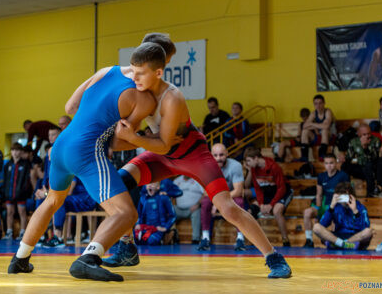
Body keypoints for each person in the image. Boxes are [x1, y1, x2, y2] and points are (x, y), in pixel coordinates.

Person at [105, 33, 291, 279]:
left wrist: (135, 138)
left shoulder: (172, 97)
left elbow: (161, 144)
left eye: (142, 70)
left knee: (227, 208)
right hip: (162, 153)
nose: (135, 75)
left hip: (192, 153)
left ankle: (273, 257)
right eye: (136, 69)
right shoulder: (136, 88)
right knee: (119, 183)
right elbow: (128, 141)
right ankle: (127, 247)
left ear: (159, 69)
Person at [7, 43, 160, 282]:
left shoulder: (107, 70)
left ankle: (20, 259)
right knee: (126, 213)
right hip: (86, 151)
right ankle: (89, 258)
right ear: (159, 70)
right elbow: (121, 140)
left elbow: (69, 108)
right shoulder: (145, 99)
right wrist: (150, 141)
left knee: (52, 200)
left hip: (60, 145)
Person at [198, 143, 246, 251]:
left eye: (221, 155)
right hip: (214, 196)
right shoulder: (206, 167)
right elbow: (206, 191)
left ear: (227, 154)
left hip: (231, 195)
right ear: (211, 155)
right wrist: (217, 202)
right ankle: (205, 237)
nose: (218, 158)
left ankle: (240, 238)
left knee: (240, 202)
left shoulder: (235, 166)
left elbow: (238, 191)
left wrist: (220, 202)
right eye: (215, 155)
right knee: (205, 202)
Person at [244, 147, 293, 247]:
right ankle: (256, 240)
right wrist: (261, 204)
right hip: (268, 193)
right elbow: (257, 189)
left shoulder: (274, 167)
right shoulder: (253, 169)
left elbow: (281, 188)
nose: (247, 164)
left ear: (256, 158)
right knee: (251, 211)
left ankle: (285, 240)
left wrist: (271, 204)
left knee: (276, 211)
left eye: (249, 160)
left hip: (282, 192)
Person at [302, 153, 349, 248]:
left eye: (331, 163)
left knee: (335, 217)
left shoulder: (343, 176)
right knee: (307, 212)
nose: (329, 165)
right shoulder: (321, 176)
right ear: (324, 164)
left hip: (337, 206)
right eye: (327, 163)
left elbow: (347, 194)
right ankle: (309, 240)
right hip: (324, 205)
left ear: (336, 163)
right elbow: (319, 195)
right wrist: (318, 211)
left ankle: (334, 242)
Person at [313, 182, 372, 250]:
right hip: (338, 236)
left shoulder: (360, 207)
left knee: (368, 231)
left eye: (345, 196)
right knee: (316, 227)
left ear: (351, 196)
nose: (343, 201)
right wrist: (331, 207)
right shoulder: (334, 206)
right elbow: (323, 225)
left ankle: (339, 244)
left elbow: (365, 227)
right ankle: (343, 244)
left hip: (355, 236)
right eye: (341, 196)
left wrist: (355, 211)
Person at [43, 177, 96, 248]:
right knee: (57, 200)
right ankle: (54, 235)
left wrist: (46, 194)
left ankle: (58, 237)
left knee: (59, 200)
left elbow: (69, 191)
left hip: (86, 199)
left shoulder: (73, 168)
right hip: (81, 198)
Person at [342, 124, 381, 197]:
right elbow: (349, 158)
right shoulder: (354, 141)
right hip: (361, 168)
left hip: (373, 168)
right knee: (344, 166)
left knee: (369, 165)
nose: (367, 136)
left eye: (369, 133)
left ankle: (370, 194)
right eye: (364, 134)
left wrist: (365, 147)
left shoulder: (376, 140)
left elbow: (375, 158)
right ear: (359, 134)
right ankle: (347, 191)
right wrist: (343, 157)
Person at [2, 143, 31, 240]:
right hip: (9, 193)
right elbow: (5, 180)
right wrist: (5, 192)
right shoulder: (8, 165)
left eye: (17, 150)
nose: (15, 152)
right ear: (11, 151)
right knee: (9, 212)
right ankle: (9, 232)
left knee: (22, 212)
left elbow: (27, 180)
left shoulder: (25, 164)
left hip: (21, 194)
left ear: (21, 152)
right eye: (13, 150)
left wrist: (24, 191)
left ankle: (23, 233)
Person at [300, 95, 336, 161]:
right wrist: (319, 125)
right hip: (319, 137)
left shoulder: (328, 112)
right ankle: (304, 157)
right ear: (314, 105)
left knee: (324, 130)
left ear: (324, 103)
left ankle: (322, 155)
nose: (318, 106)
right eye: (316, 104)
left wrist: (312, 124)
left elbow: (326, 126)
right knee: (305, 131)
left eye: (320, 103)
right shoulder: (313, 113)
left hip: (330, 138)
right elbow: (304, 126)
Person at [173, 175, 204, 244]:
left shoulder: (198, 180)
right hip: (179, 209)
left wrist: (198, 205)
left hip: (194, 208)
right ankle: (173, 237)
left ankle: (196, 239)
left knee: (197, 213)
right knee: (170, 211)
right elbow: (172, 195)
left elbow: (204, 193)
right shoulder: (176, 181)